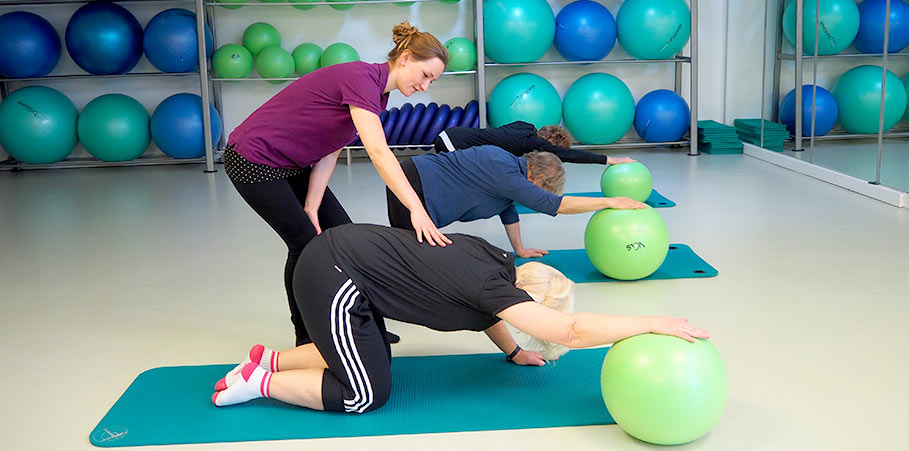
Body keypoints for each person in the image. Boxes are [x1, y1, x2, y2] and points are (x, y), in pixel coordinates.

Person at [211, 224, 710, 413]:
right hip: (335, 276)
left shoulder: (494, 261)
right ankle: (261, 382)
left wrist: (513, 351)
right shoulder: (494, 288)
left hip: (342, 257)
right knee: (365, 394)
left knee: (372, 351)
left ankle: (271, 360)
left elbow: (487, 310)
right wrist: (652, 321)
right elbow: (572, 332)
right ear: (523, 301)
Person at [224, 22, 451, 346]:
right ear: (406, 58)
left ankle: (367, 325)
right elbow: (377, 152)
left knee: (346, 236)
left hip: (291, 162)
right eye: (426, 75)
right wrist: (415, 208)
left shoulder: (377, 94)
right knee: (304, 243)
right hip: (253, 158)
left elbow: (332, 147)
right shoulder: (361, 79)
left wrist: (313, 205)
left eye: (432, 80)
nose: (426, 86)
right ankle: (305, 338)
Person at [386, 145, 646, 258]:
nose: (543, 192)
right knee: (408, 257)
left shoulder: (506, 164)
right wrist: (610, 202)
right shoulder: (509, 176)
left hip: (413, 176)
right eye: (546, 187)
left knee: (413, 254)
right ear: (539, 176)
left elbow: (508, 211)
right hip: (414, 186)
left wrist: (519, 249)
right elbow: (556, 205)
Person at [435, 121, 636, 165]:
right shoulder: (531, 141)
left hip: (450, 134)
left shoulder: (524, 126)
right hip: (455, 145)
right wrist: (610, 159)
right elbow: (569, 155)